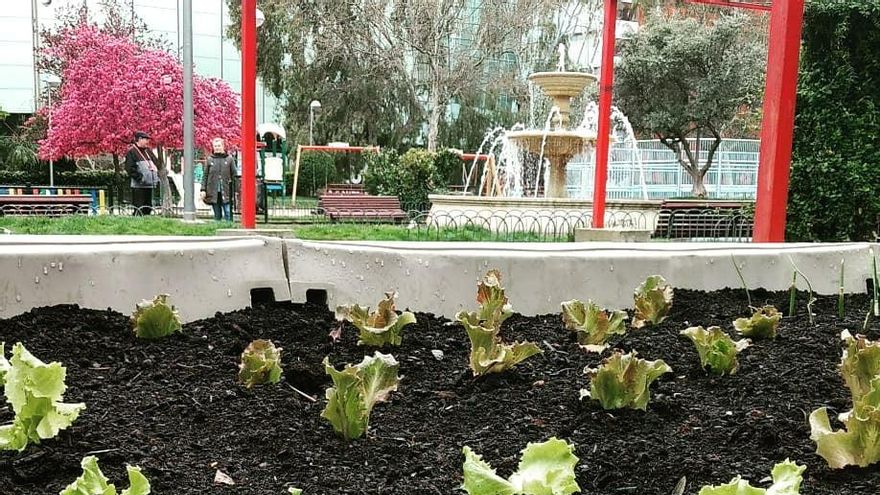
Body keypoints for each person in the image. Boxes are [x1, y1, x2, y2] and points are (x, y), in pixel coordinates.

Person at [124, 131, 160, 215]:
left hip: (149, 184)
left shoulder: (147, 151)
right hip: (138, 186)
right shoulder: (132, 152)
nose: (148, 141)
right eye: (146, 139)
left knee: (148, 207)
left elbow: (154, 164)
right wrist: (140, 178)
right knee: (139, 207)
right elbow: (129, 168)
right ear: (139, 139)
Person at [201, 137, 236, 221]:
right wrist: (203, 189)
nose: (217, 147)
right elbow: (205, 176)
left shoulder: (229, 159)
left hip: (226, 191)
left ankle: (229, 227)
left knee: (228, 212)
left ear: (223, 146)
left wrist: (235, 190)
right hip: (213, 191)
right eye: (215, 146)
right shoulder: (210, 160)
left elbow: (234, 175)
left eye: (219, 145)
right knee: (217, 214)